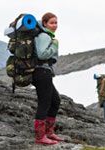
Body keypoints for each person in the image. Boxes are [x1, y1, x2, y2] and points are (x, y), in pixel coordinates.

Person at [32, 12, 62, 145]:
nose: (55, 25)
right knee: (45, 102)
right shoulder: (44, 36)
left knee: (55, 100)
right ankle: (40, 137)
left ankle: (49, 132)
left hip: (44, 71)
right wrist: (54, 46)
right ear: (44, 23)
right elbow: (42, 54)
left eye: (56, 22)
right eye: (52, 22)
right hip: (41, 72)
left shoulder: (46, 35)